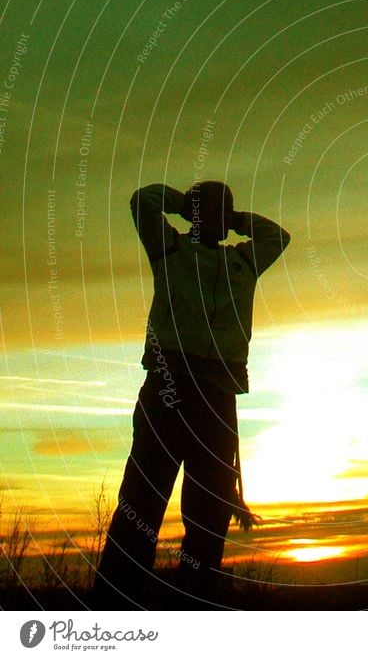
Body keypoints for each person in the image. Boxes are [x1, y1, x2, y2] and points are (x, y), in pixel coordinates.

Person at [92, 181, 290, 609]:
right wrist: (188, 208)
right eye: (215, 209)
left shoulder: (241, 260)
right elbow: (140, 199)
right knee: (141, 506)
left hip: (217, 401)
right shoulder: (171, 250)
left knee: (208, 517)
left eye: (229, 209)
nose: (223, 216)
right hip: (169, 391)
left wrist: (229, 219)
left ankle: (194, 607)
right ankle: (111, 609)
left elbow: (279, 237)